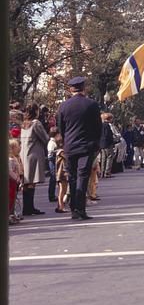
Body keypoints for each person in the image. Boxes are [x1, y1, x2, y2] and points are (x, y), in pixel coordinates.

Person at [56, 76, 102, 220]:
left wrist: (66, 142)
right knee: (83, 177)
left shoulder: (63, 106)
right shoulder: (92, 104)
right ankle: (80, 209)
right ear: (84, 88)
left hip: (70, 146)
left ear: (71, 89)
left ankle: (73, 209)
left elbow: (61, 128)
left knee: (73, 178)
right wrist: (96, 144)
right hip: (86, 147)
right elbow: (98, 127)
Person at [20, 102, 49, 216]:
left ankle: (27, 207)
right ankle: (29, 208)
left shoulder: (24, 123)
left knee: (26, 182)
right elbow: (45, 138)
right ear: (35, 111)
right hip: (34, 154)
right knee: (32, 182)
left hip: (24, 154)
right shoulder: (36, 123)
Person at [8, 137, 22, 224]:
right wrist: (16, 178)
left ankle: (12, 215)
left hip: (14, 182)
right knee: (10, 199)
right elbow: (9, 171)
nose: (19, 149)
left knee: (13, 198)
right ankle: (9, 216)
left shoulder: (15, 158)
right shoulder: (10, 160)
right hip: (11, 182)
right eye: (17, 147)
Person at [54, 138, 70, 213]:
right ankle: (61, 206)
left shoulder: (59, 151)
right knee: (62, 190)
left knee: (63, 190)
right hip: (62, 173)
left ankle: (60, 205)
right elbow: (67, 158)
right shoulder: (61, 152)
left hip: (62, 173)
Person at [99, 112, 116, 178]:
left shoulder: (101, 125)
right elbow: (108, 135)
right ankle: (107, 172)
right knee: (110, 157)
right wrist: (112, 142)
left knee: (103, 158)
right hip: (107, 144)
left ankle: (102, 172)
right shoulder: (107, 126)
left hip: (102, 144)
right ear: (109, 119)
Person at [47, 127, 60, 203]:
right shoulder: (52, 142)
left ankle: (52, 195)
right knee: (53, 178)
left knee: (54, 178)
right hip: (52, 161)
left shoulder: (53, 141)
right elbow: (50, 154)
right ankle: (51, 195)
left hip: (53, 161)